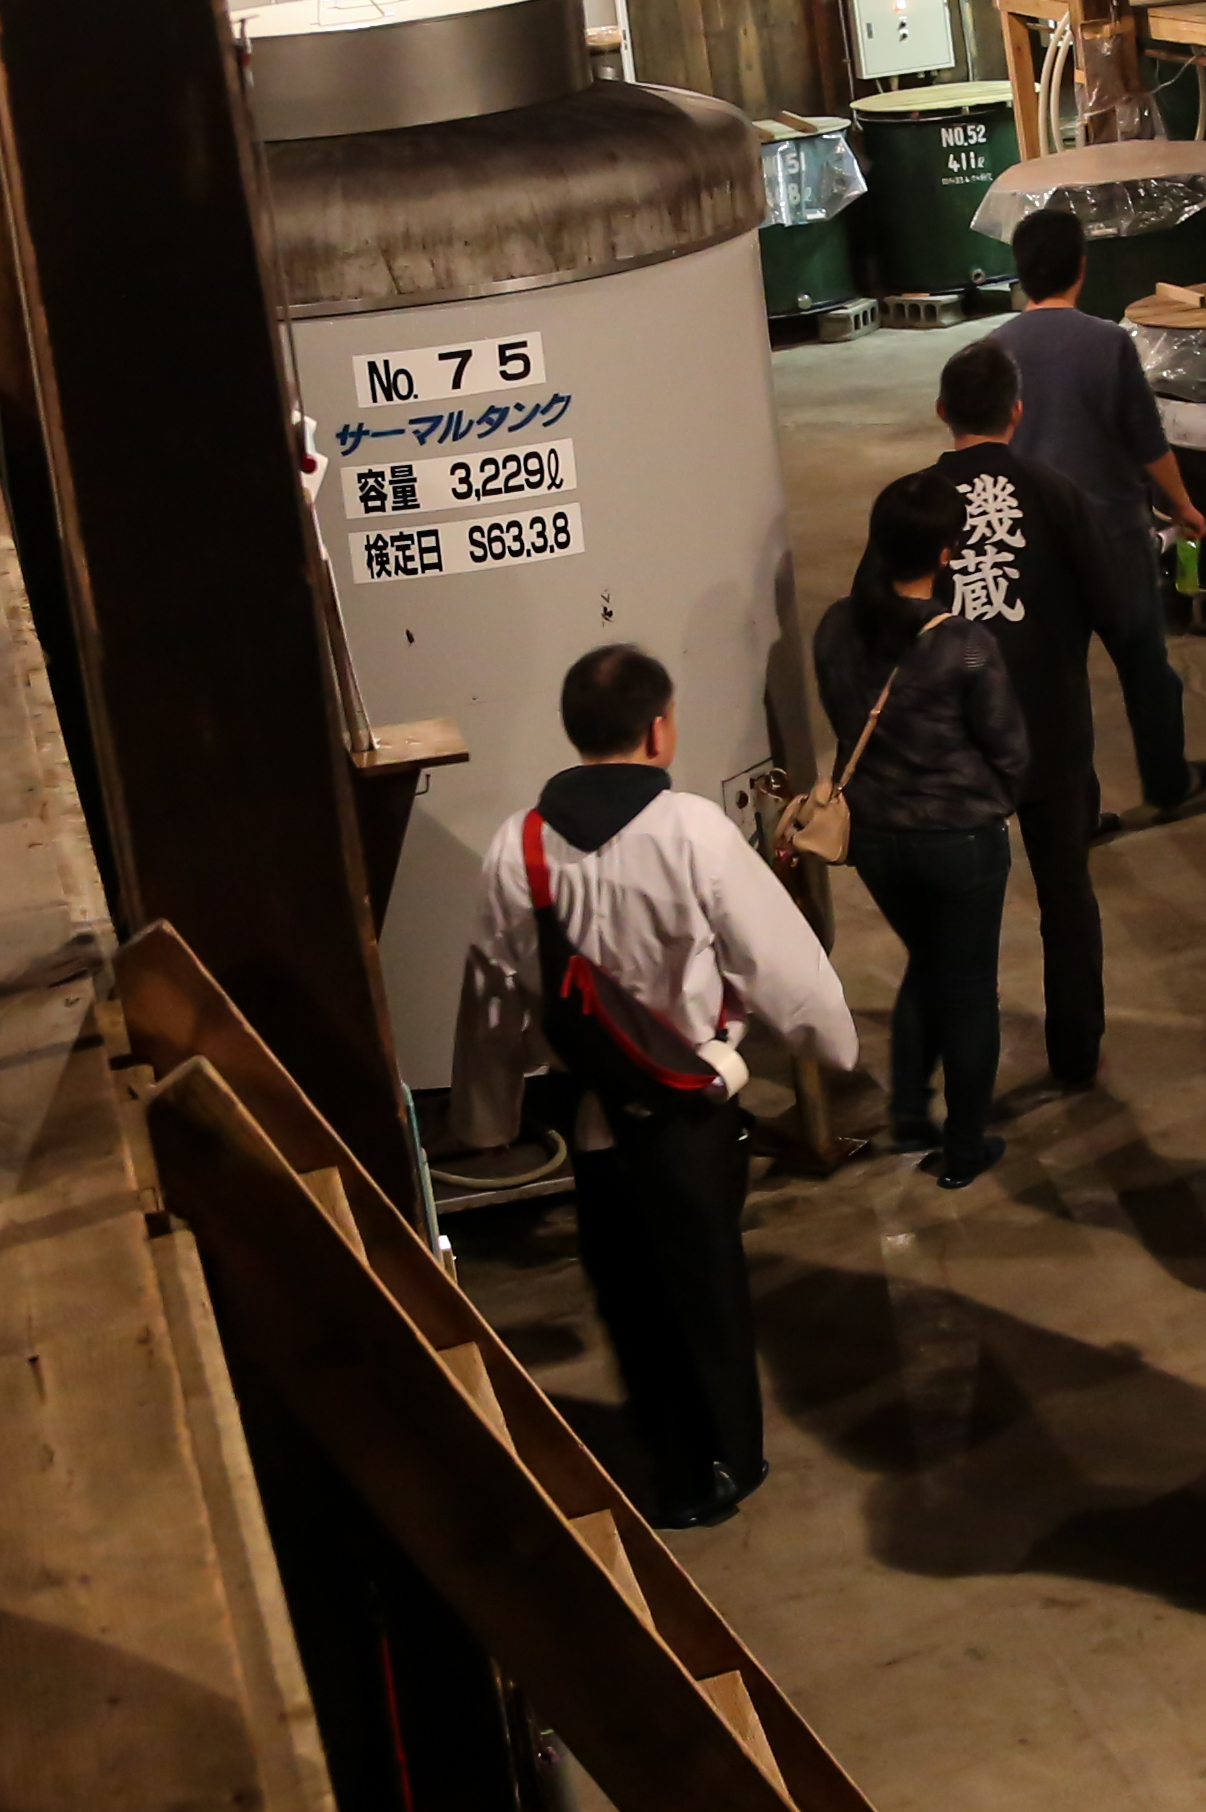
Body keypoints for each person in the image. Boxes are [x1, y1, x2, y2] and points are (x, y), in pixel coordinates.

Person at [455, 643, 856, 1529]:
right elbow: (780, 961)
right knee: (706, 1279)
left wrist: (487, 1117)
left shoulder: (515, 846)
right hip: (692, 1103)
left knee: (627, 1289)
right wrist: (834, 1042)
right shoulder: (692, 833)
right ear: (659, 729)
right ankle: (731, 1458)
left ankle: (674, 1468)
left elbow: (491, 992)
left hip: (591, 1110)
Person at [810, 479, 1030, 1188]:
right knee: (968, 989)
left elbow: (848, 724)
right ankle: (965, 1149)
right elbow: (1009, 749)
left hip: (873, 837)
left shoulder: (836, 627)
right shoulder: (965, 644)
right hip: (960, 843)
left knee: (929, 962)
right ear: (946, 554)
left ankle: (909, 1110)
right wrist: (991, 801)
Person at [911, 336, 1111, 1093]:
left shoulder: (917, 503)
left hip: (954, 746)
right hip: (1053, 737)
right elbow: (1116, 609)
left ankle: (968, 1077)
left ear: (941, 411)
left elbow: (879, 622)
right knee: (1066, 894)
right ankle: (1076, 1053)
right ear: (1017, 413)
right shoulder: (1057, 493)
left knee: (964, 915)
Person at [993, 204, 1205, 822]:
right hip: (1112, 538)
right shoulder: (1108, 343)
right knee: (1145, 666)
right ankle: (1167, 782)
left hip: (1034, 542)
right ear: (1082, 268)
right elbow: (1148, 444)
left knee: (1058, 683)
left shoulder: (994, 349)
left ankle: (1074, 809)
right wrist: (1184, 506)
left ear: (1021, 273)